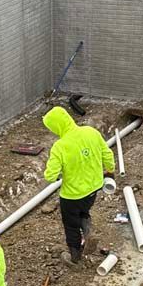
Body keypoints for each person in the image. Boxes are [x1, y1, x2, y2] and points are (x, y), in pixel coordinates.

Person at [43, 106, 114, 265]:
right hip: (94, 188)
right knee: (83, 211)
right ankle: (88, 231)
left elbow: (50, 175)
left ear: (57, 126)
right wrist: (110, 171)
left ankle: (75, 256)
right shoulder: (91, 132)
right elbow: (107, 154)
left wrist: (57, 174)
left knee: (71, 224)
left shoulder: (60, 146)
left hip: (72, 195)